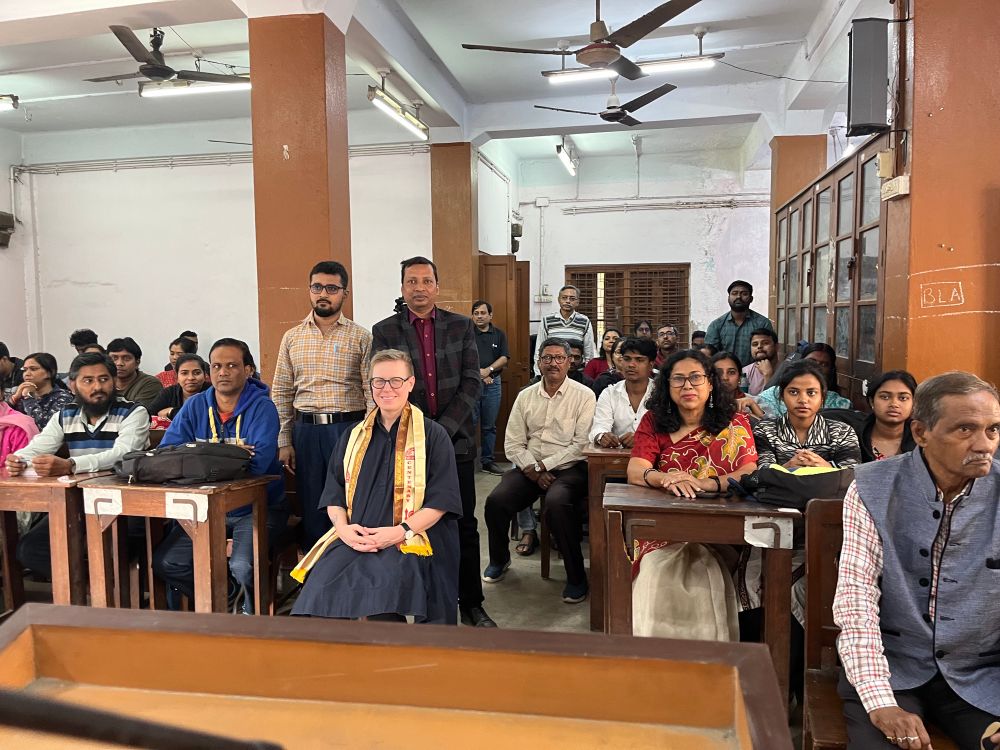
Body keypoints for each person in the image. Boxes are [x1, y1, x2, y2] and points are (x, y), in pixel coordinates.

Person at [833, 371, 1000, 750]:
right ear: (921, 432)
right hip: (892, 669)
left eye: (992, 430)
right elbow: (856, 602)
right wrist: (881, 703)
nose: (984, 444)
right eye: (965, 430)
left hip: (981, 675)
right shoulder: (873, 487)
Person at [290, 350, 462, 623]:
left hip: (411, 536)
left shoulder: (432, 435)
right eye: (378, 381)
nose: (386, 389)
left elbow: (442, 502)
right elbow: (334, 493)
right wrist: (344, 530)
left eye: (395, 380)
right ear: (369, 385)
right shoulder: (353, 435)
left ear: (410, 383)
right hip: (357, 535)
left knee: (384, 595)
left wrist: (399, 532)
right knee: (318, 593)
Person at [372, 256, 494, 628]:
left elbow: (472, 381)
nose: (419, 288)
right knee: (408, 524)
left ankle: (471, 602)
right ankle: (418, 601)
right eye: (412, 281)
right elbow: (386, 384)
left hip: (453, 443)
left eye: (426, 281)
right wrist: (418, 431)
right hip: (405, 446)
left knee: (462, 525)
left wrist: (439, 431)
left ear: (437, 287)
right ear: (402, 287)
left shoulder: (460, 326)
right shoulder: (385, 330)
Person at [626, 349, 758, 637]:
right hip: (664, 528)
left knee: (704, 571)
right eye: (678, 379)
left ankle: (707, 670)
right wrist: (666, 478)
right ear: (667, 385)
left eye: (696, 378)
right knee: (658, 571)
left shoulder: (734, 422)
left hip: (722, 529)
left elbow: (748, 471)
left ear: (711, 383)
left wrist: (708, 483)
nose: (688, 386)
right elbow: (636, 470)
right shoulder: (653, 421)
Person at [152, 338, 287, 615]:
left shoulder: (263, 408)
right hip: (201, 510)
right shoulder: (194, 407)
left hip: (254, 508)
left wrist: (199, 457)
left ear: (248, 369)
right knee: (168, 562)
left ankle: (249, 619)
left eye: (231, 365)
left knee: (242, 565)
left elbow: (258, 465)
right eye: (216, 366)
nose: (222, 372)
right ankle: (225, 601)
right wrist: (230, 453)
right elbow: (168, 453)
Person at [5, 352, 150, 578]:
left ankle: (106, 595)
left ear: (114, 381)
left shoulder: (133, 412)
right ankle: (87, 593)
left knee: (113, 551)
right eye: (88, 380)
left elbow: (123, 455)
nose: (97, 387)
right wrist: (17, 460)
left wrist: (70, 465)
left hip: (127, 505)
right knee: (30, 550)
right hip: (77, 505)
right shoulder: (65, 415)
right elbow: (37, 448)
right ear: (73, 385)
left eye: (104, 379)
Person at [483, 338, 596, 603]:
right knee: (496, 501)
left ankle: (577, 576)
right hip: (529, 466)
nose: (553, 363)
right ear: (539, 362)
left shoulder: (584, 395)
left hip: (569, 468)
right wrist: (532, 468)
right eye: (547, 358)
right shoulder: (525, 395)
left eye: (559, 358)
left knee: (557, 504)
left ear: (569, 362)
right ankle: (500, 560)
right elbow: (512, 442)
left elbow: (581, 445)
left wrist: (544, 466)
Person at [272, 261, 372, 549]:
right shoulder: (292, 338)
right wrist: (284, 440)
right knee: (314, 505)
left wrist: (370, 437)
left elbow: (369, 392)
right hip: (306, 434)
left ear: (345, 293)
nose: (323, 294)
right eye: (317, 287)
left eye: (331, 288)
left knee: (351, 503)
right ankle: (316, 581)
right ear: (309, 290)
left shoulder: (361, 337)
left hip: (348, 430)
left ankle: (349, 574)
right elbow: (280, 392)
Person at [752, 359, 862, 471]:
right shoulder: (765, 430)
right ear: (782, 395)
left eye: (811, 393)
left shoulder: (842, 431)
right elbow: (761, 473)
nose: (803, 400)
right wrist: (787, 468)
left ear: (822, 397)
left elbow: (851, 475)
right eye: (793, 392)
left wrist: (826, 467)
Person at [826, 370, 918, 463]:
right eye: (885, 397)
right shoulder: (851, 435)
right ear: (871, 401)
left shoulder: (922, 438)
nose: (894, 404)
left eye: (903, 398)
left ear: (913, 403)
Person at [590, 337, 656, 449]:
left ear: (651, 364)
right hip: (616, 459)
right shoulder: (609, 393)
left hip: (655, 458)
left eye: (639, 360)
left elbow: (670, 432)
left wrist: (642, 439)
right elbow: (599, 425)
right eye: (627, 359)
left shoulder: (662, 393)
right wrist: (602, 436)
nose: (631, 365)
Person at [755, 343, 852, 417]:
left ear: (831, 370)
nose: (816, 367)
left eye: (824, 364)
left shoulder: (839, 404)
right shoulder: (773, 394)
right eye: (811, 361)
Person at [471, 299, 509, 476]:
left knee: (489, 426)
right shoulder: (467, 333)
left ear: (490, 315)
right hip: (470, 385)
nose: (479, 316)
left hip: (493, 384)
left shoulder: (499, 334)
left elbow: (504, 358)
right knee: (468, 424)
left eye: (483, 313)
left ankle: (487, 461)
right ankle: (467, 462)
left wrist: (489, 371)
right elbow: (463, 356)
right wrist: (480, 373)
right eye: (476, 313)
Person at [704, 280, 776, 369]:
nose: (738, 296)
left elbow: (770, 352)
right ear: (728, 298)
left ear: (751, 299)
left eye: (744, 294)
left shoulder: (762, 323)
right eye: (734, 293)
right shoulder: (716, 325)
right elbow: (709, 356)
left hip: (756, 374)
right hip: (724, 375)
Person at [6, 353, 75, 430]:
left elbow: (46, 427)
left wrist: (28, 397)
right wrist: (14, 399)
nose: (27, 374)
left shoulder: (63, 397)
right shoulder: (20, 396)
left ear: (49, 373)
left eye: (33, 369)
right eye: (25, 370)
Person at [534, 285, 596, 362]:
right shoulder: (546, 320)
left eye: (572, 299)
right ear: (558, 300)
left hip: (576, 370)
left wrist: (587, 372)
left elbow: (589, 352)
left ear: (577, 302)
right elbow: (539, 350)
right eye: (564, 297)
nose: (568, 301)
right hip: (553, 368)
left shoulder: (584, 321)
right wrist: (538, 373)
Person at [147, 354, 210, 421]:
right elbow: (148, 415)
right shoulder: (169, 393)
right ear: (177, 377)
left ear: (205, 375)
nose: (190, 378)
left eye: (197, 373)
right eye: (184, 373)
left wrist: (171, 411)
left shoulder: (213, 392)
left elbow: (203, 417)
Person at [106, 337, 163, 410]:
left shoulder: (150, 383)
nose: (119, 363)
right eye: (114, 358)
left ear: (137, 363)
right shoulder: (101, 382)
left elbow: (137, 413)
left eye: (126, 358)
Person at [712, 351, 763, 419]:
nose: (725, 378)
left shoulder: (755, 402)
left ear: (739, 377)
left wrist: (753, 406)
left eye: (731, 372)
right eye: (718, 373)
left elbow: (773, 426)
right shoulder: (701, 403)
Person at [741, 328, 779, 396]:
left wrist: (768, 376)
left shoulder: (786, 371)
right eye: (755, 344)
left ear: (776, 346)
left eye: (765, 343)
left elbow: (779, 404)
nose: (759, 346)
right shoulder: (744, 372)